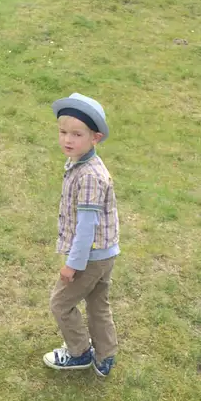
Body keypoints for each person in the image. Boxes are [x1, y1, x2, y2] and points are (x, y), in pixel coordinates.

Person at [42, 93, 121, 377]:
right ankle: (105, 356)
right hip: (105, 253)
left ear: (95, 137)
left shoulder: (88, 176)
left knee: (61, 304)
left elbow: (87, 227)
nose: (67, 139)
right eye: (63, 132)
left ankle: (79, 353)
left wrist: (73, 264)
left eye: (77, 134)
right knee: (98, 304)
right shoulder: (82, 164)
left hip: (89, 257)